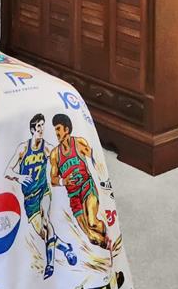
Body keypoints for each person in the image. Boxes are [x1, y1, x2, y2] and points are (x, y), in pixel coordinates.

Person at [7, 114, 78, 277]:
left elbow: (58, 156)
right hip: (29, 199)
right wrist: (19, 177)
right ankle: (66, 247)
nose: (41, 129)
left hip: (43, 191)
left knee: (47, 221)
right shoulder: (23, 148)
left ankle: (50, 266)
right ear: (32, 129)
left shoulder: (47, 147)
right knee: (45, 235)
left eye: (42, 125)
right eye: (38, 126)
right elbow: (7, 171)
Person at [48, 113, 110, 251]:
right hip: (73, 196)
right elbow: (53, 179)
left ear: (67, 129)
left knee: (93, 222)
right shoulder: (55, 154)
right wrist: (64, 181)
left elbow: (95, 157)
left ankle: (109, 235)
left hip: (86, 186)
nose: (56, 132)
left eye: (58, 129)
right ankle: (106, 247)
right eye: (55, 129)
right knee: (90, 236)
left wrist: (103, 179)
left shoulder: (79, 143)